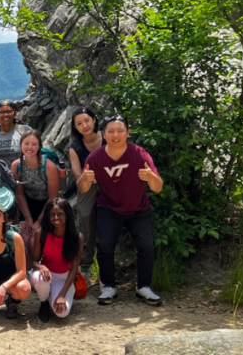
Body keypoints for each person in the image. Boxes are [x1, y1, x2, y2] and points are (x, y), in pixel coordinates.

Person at [78, 114, 164, 306]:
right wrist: (84, 179)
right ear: (104, 134)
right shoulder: (96, 157)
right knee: (105, 245)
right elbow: (83, 188)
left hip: (139, 208)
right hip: (109, 207)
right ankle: (109, 286)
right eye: (110, 131)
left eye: (120, 130)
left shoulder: (139, 154)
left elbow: (157, 187)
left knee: (147, 245)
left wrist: (151, 177)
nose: (115, 135)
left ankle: (143, 287)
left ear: (128, 133)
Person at [28, 197, 82, 322]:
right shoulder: (41, 233)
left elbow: (74, 269)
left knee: (61, 313)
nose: (56, 218)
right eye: (52, 214)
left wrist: (62, 295)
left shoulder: (77, 237)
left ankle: (63, 294)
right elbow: (34, 261)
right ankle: (44, 304)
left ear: (67, 215)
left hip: (64, 279)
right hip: (47, 276)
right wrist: (42, 267)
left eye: (59, 214)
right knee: (39, 278)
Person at [68, 107, 106, 281]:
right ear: (74, 127)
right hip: (87, 188)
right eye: (79, 123)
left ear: (94, 119)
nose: (84, 125)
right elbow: (78, 176)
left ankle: (107, 266)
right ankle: (86, 266)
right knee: (86, 226)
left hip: (112, 185)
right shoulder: (75, 147)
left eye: (87, 120)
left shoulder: (107, 137)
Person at [12, 131, 60, 245]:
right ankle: (27, 263)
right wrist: (28, 219)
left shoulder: (48, 166)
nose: (30, 147)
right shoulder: (16, 165)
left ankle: (37, 262)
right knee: (25, 238)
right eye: (26, 143)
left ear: (39, 146)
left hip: (47, 205)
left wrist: (39, 221)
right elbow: (19, 194)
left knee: (36, 239)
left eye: (34, 144)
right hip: (27, 205)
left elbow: (53, 197)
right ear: (21, 145)